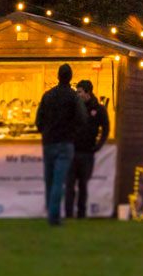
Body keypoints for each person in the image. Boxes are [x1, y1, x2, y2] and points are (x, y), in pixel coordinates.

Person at [35, 61, 83, 227]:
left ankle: (51, 211)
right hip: (65, 142)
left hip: (49, 141)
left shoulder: (47, 96)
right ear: (70, 78)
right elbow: (82, 119)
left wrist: (45, 132)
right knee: (58, 180)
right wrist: (73, 134)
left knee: (49, 179)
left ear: (57, 76)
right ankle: (53, 217)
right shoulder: (73, 97)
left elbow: (38, 120)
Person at [68, 79, 105, 218]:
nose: (77, 94)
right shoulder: (74, 108)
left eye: (79, 92)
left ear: (87, 92)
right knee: (70, 185)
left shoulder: (98, 108)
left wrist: (99, 145)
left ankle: (81, 213)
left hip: (87, 152)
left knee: (83, 185)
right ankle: (69, 213)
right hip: (72, 151)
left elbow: (105, 127)